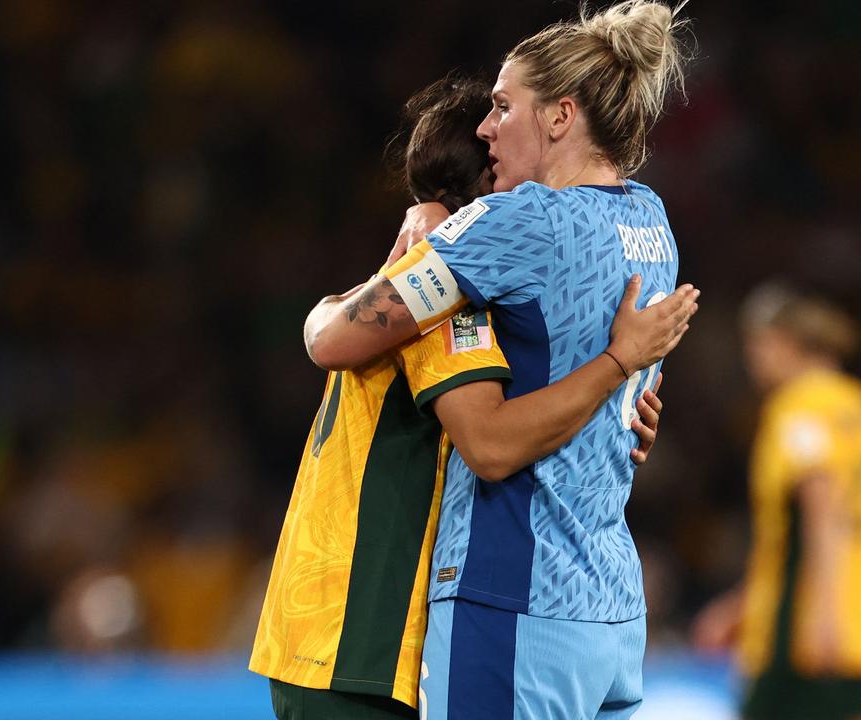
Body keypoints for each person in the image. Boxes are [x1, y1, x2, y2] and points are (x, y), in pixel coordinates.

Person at [250, 74, 684, 720]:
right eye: (500, 138)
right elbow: (490, 442)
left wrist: (612, 421)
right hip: (364, 639)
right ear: (485, 187)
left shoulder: (417, 284)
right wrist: (617, 367)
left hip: (333, 632)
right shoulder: (452, 302)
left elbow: (333, 331)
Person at [692, 283, 861, 720]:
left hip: (807, 635)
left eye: (754, 345)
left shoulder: (798, 410)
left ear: (779, 344)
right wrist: (745, 604)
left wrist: (825, 618)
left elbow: (823, 510)